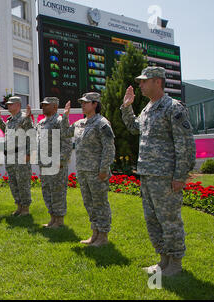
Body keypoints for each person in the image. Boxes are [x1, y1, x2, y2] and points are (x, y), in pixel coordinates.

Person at [121, 66, 196, 276]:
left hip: (165, 177)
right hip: (148, 175)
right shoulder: (147, 109)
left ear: (157, 82)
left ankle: (176, 263)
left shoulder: (173, 108)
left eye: (144, 81)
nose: (140, 84)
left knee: (169, 219)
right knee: (153, 220)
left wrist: (180, 176)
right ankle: (163, 261)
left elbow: (185, 145)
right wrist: (127, 107)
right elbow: (135, 128)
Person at [62, 93, 115, 246]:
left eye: (86, 103)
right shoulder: (80, 123)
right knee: (89, 203)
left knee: (100, 203)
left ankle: (103, 236)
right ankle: (95, 234)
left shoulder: (102, 123)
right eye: (82, 103)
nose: (82, 105)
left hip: (97, 171)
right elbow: (65, 133)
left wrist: (104, 168)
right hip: (83, 170)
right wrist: (65, 116)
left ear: (95, 104)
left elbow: (109, 148)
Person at [36, 97, 73, 228]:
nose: (43, 107)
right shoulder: (41, 123)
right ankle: (52, 218)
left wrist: (62, 160)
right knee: (47, 190)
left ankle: (59, 220)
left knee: (58, 191)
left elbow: (67, 142)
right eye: (43, 105)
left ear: (55, 107)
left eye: (46, 105)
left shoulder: (59, 121)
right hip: (44, 163)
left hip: (56, 163)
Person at [0, 97, 34, 217]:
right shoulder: (10, 120)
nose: (8, 106)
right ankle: (19, 206)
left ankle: (26, 208)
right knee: (13, 182)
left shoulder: (24, 118)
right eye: (8, 104)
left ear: (18, 105)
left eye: (11, 104)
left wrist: (29, 154)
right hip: (10, 155)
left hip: (21, 155)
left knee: (23, 182)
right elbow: (6, 131)